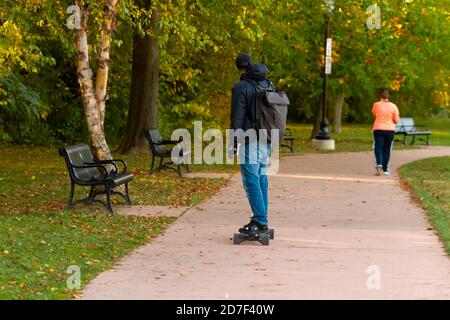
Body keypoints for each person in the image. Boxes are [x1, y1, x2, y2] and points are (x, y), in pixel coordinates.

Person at [230, 53, 273, 235]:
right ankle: (262, 219)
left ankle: (259, 219)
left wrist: (232, 142)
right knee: (261, 177)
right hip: (268, 138)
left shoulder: (241, 87)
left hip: (251, 140)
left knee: (251, 179)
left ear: (238, 68)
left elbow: (237, 118)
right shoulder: (268, 84)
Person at [372, 88, 400, 176]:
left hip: (378, 129)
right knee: (386, 149)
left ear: (380, 95)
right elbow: (396, 120)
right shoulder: (393, 106)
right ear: (388, 96)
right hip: (390, 130)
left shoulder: (376, 105)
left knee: (378, 147)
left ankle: (379, 163)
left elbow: (374, 114)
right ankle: (385, 169)